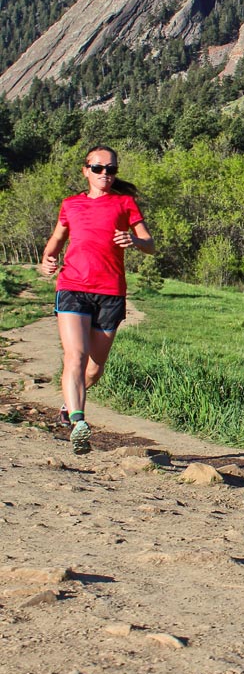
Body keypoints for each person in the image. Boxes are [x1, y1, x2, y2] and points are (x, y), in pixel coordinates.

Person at [39, 145, 155, 455]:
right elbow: (55, 243)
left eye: (111, 169)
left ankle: (68, 406)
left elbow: (150, 243)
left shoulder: (124, 203)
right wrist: (47, 260)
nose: (105, 174)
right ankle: (78, 421)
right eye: (98, 168)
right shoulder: (71, 205)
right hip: (73, 286)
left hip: (110, 292)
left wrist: (134, 240)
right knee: (75, 356)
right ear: (85, 170)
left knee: (93, 370)